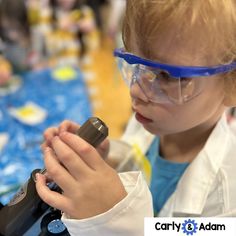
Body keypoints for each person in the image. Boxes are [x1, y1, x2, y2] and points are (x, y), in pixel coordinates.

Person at [35, 0, 236, 235]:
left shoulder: (227, 205)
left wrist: (114, 219)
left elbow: (164, 231)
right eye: (134, 62)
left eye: (167, 76)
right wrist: (106, 162)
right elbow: (139, 158)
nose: (136, 91)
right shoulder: (154, 121)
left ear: (231, 85)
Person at [32, 0, 99, 68]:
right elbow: (49, 49)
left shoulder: (85, 12)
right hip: (57, 69)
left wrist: (91, 32)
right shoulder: (46, 14)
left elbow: (93, 47)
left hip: (82, 68)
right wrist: (60, 28)